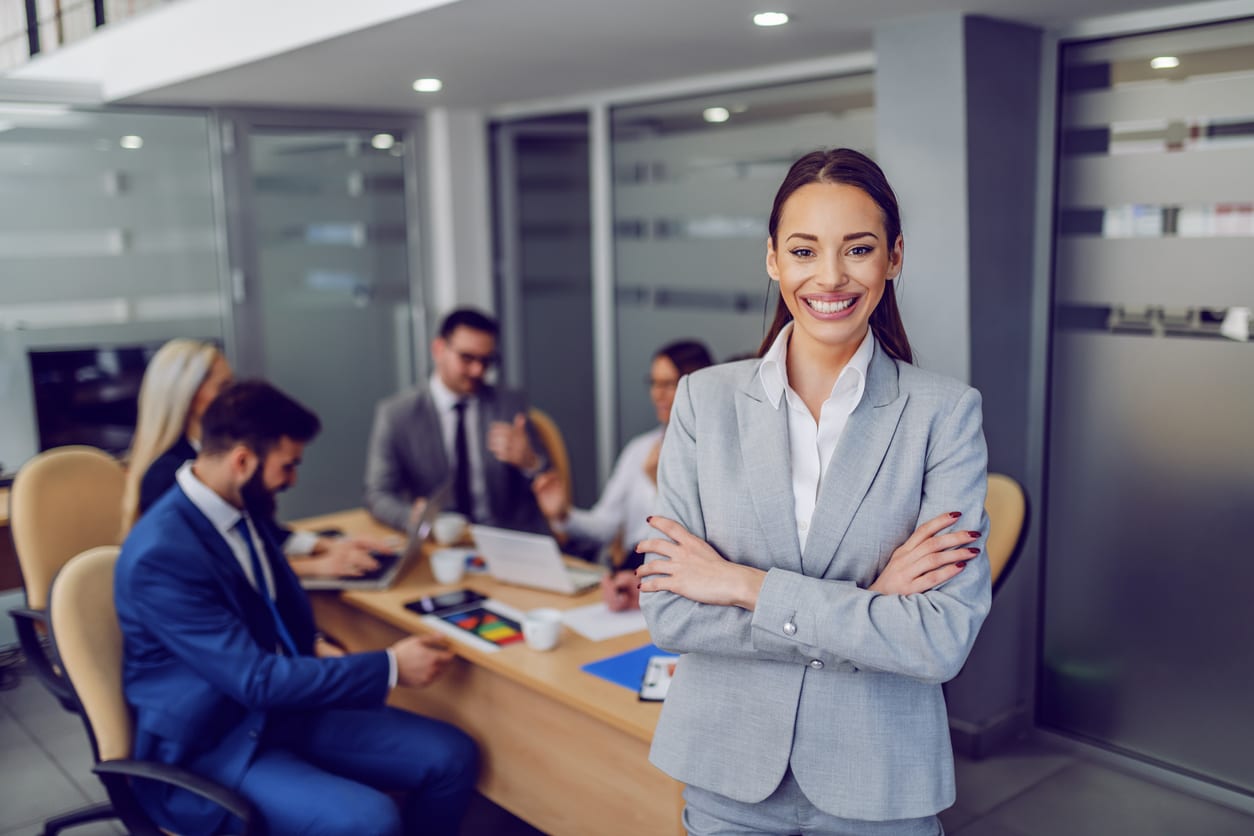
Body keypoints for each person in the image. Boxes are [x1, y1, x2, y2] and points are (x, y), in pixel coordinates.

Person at [637, 148, 991, 834]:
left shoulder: (944, 414)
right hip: (726, 773)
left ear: (894, 257)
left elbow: (938, 640)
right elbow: (671, 616)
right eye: (804, 250)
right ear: (773, 259)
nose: (830, 276)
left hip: (880, 780)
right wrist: (867, 610)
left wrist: (740, 583)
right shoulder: (704, 403)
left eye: (858, 249)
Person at [115, 380, 479, 836]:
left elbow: (265, 611)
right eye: (287, 466)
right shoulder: (162, 554)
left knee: (452, 756)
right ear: (243, 461)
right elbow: (256, 679)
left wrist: (314, 642)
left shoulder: (239, 507)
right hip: (216, 743)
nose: (293, 480)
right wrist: (389, 666)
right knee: (370, 820)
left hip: (281, 712)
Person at [122, 338, 387, 580]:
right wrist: (316, 567)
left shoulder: (219, 460)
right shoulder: (172, 478)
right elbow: (218, 571)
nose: (234, 395)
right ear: (189, 397)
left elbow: (258, 531)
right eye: (223, 387)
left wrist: (325, 545)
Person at [531, 340, 714, 611]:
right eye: (653, 383)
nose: (657, 394)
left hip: (685, 585)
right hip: (630, 577)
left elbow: (705, 542)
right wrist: (562, 515)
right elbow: (605, 525)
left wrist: (660, 486)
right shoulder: (640, 449)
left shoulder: (712, 452)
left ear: (695, 387)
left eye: (668, 384)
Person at [364, 307, 549, 534]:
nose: (477, 370)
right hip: (441, 539)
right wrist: (410, 516)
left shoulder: (508, 404)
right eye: (467, 358)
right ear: (438, 349)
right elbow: (378, 494)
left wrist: (530, 462)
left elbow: (549, 483)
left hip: (504, 535)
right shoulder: (397, 415)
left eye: (486, 361)